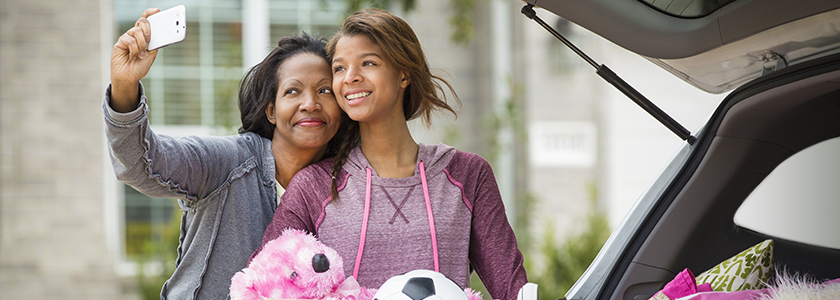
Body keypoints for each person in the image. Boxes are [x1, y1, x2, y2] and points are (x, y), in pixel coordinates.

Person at [257, 8, 528, 300]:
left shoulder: (467, 174)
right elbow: (264, 282)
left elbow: (514, 290)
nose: (350, 77)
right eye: (339, 68)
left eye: (368, 63)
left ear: (404, 74)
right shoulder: (315, 185)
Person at [105, 8, 345, 299]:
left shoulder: (347, 186)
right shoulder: (227, 162)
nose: (310, 103)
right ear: (271, 110)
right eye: (293, 92)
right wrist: (124, 85)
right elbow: (140, 165)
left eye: (325, 91)